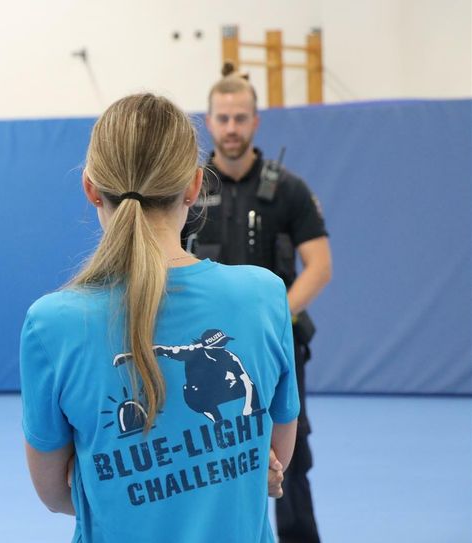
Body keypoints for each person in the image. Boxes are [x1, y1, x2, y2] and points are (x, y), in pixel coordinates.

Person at [20, 93, 299, 542]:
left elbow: (56, 493)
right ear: (194, 186)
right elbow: (269, 462)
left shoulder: (52, 324)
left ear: (91, 187)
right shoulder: (263, 295)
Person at [181, 73, 332, 543]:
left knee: (290, 457)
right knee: (206, 451)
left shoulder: (288, 190)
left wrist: (273, 319)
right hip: (210, 353)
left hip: (275, 345)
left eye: (240, 118)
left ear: (256, 122)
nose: (231, 128)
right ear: (209, 121)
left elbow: (319, 267)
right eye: (223, 118)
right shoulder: (185, 189)